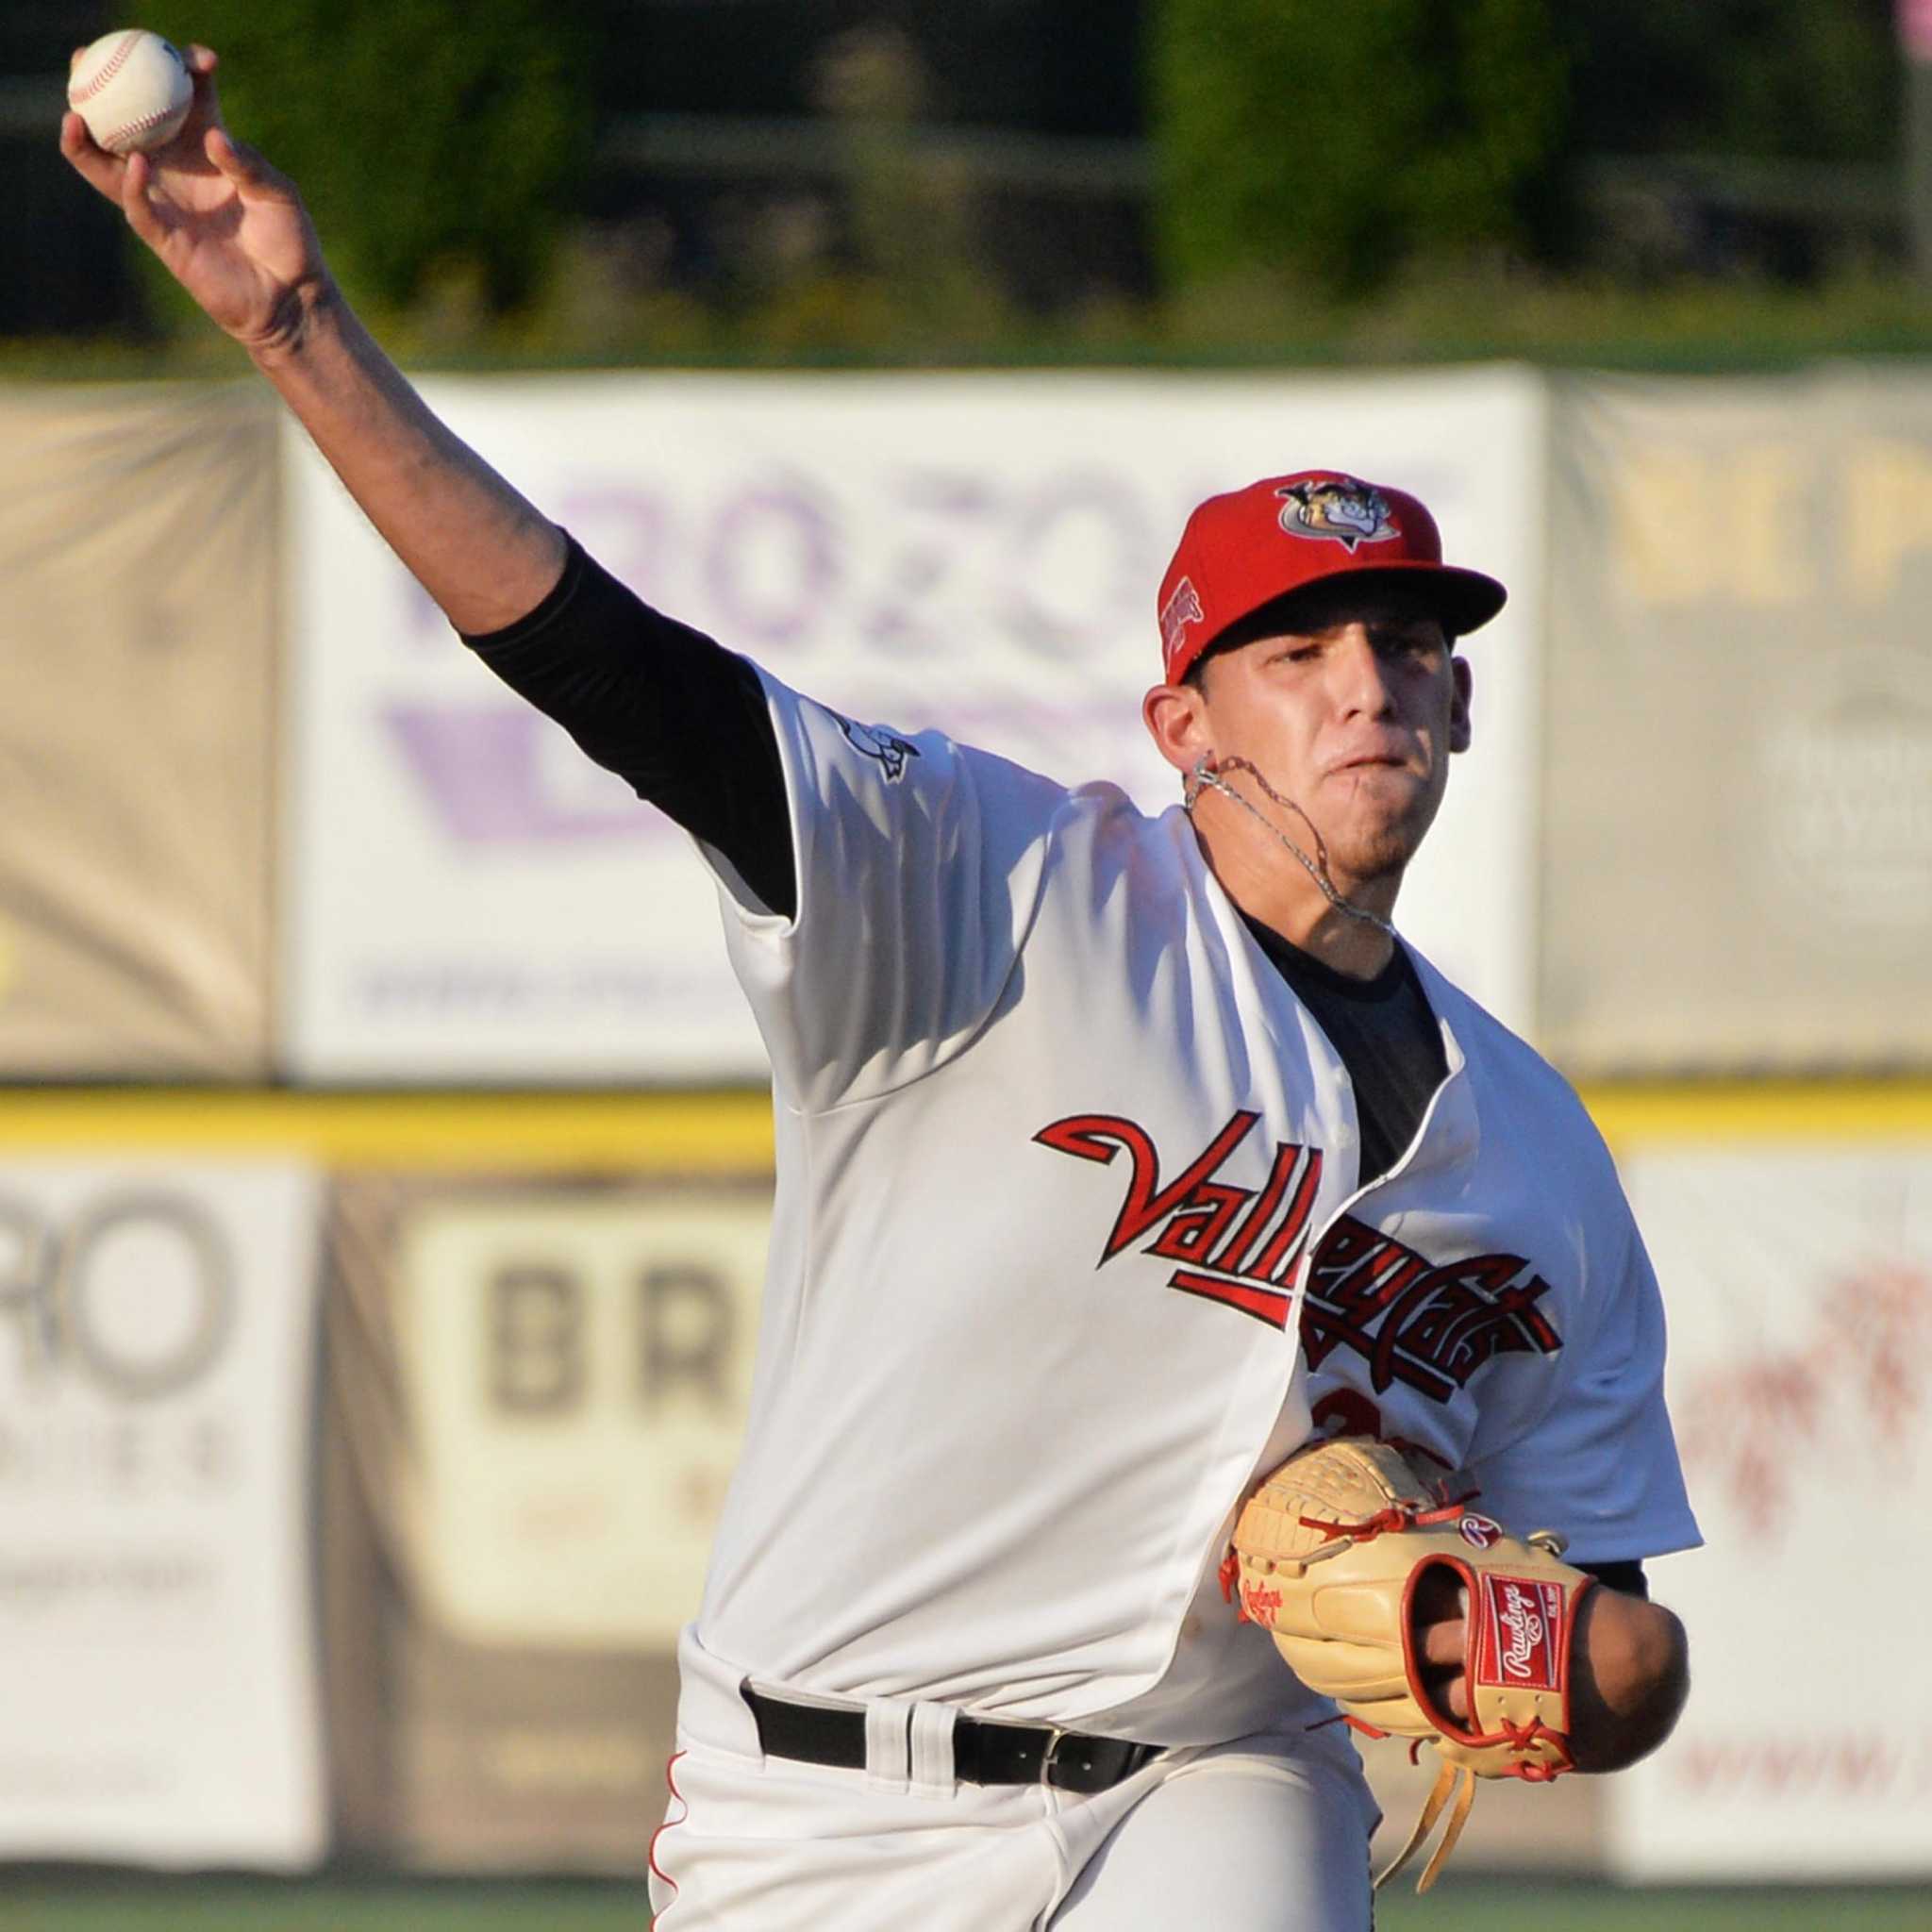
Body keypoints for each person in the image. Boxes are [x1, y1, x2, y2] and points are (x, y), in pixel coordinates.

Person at [65, 49, 1699, 1930]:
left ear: (1462, 701)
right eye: (1297, 647)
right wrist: (300, 330)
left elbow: (1623, 1637)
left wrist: (1513, 1641)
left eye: (1408, 644)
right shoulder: (986, 884)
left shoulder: (1538, 1170)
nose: (1366, 684)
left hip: (1215, 1774)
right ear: (1178, 721)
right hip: (819, 1791)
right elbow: (610, 666)